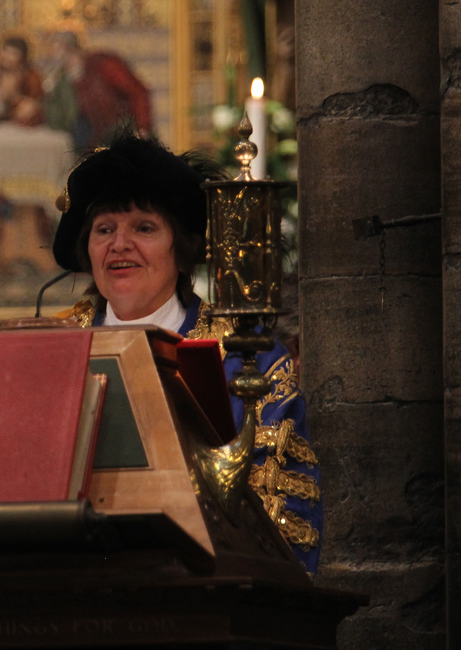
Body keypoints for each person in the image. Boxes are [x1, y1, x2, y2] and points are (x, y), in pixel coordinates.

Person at [51, 131, 321, 575]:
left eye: (144, 227)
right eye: (104, 230)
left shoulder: (246, 358)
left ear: (184, 251)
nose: (119, 245)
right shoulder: (51, 348)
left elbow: (283, 519)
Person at [42, 30, 152, 150]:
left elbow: (137, 92)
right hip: (92, 139)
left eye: (55, 49)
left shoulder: (103, 66)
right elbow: (63, 118)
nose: (51, 55)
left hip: (121, 133)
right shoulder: (62, 79)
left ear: (68, 48)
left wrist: (142, 127)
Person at [0, 35, 43, 126]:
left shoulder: (30, 75)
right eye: (6, 51)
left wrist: (17, 98)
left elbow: (36, 98)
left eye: (13, 54)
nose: (8, 57)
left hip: (19, 112)